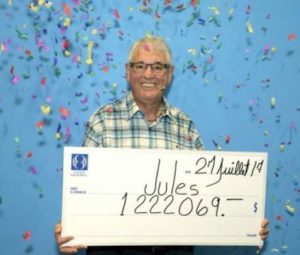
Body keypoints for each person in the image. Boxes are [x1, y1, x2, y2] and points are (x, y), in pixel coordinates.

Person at [55, 36, 269, 254]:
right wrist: (73, 229)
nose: (149, 75)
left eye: (158, 67)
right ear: (128, 72)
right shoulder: (101, 122)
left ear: (169, 74)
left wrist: (245, 223)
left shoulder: (185, 127)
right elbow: (83, 196)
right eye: (140, 66)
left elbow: (206, 199)